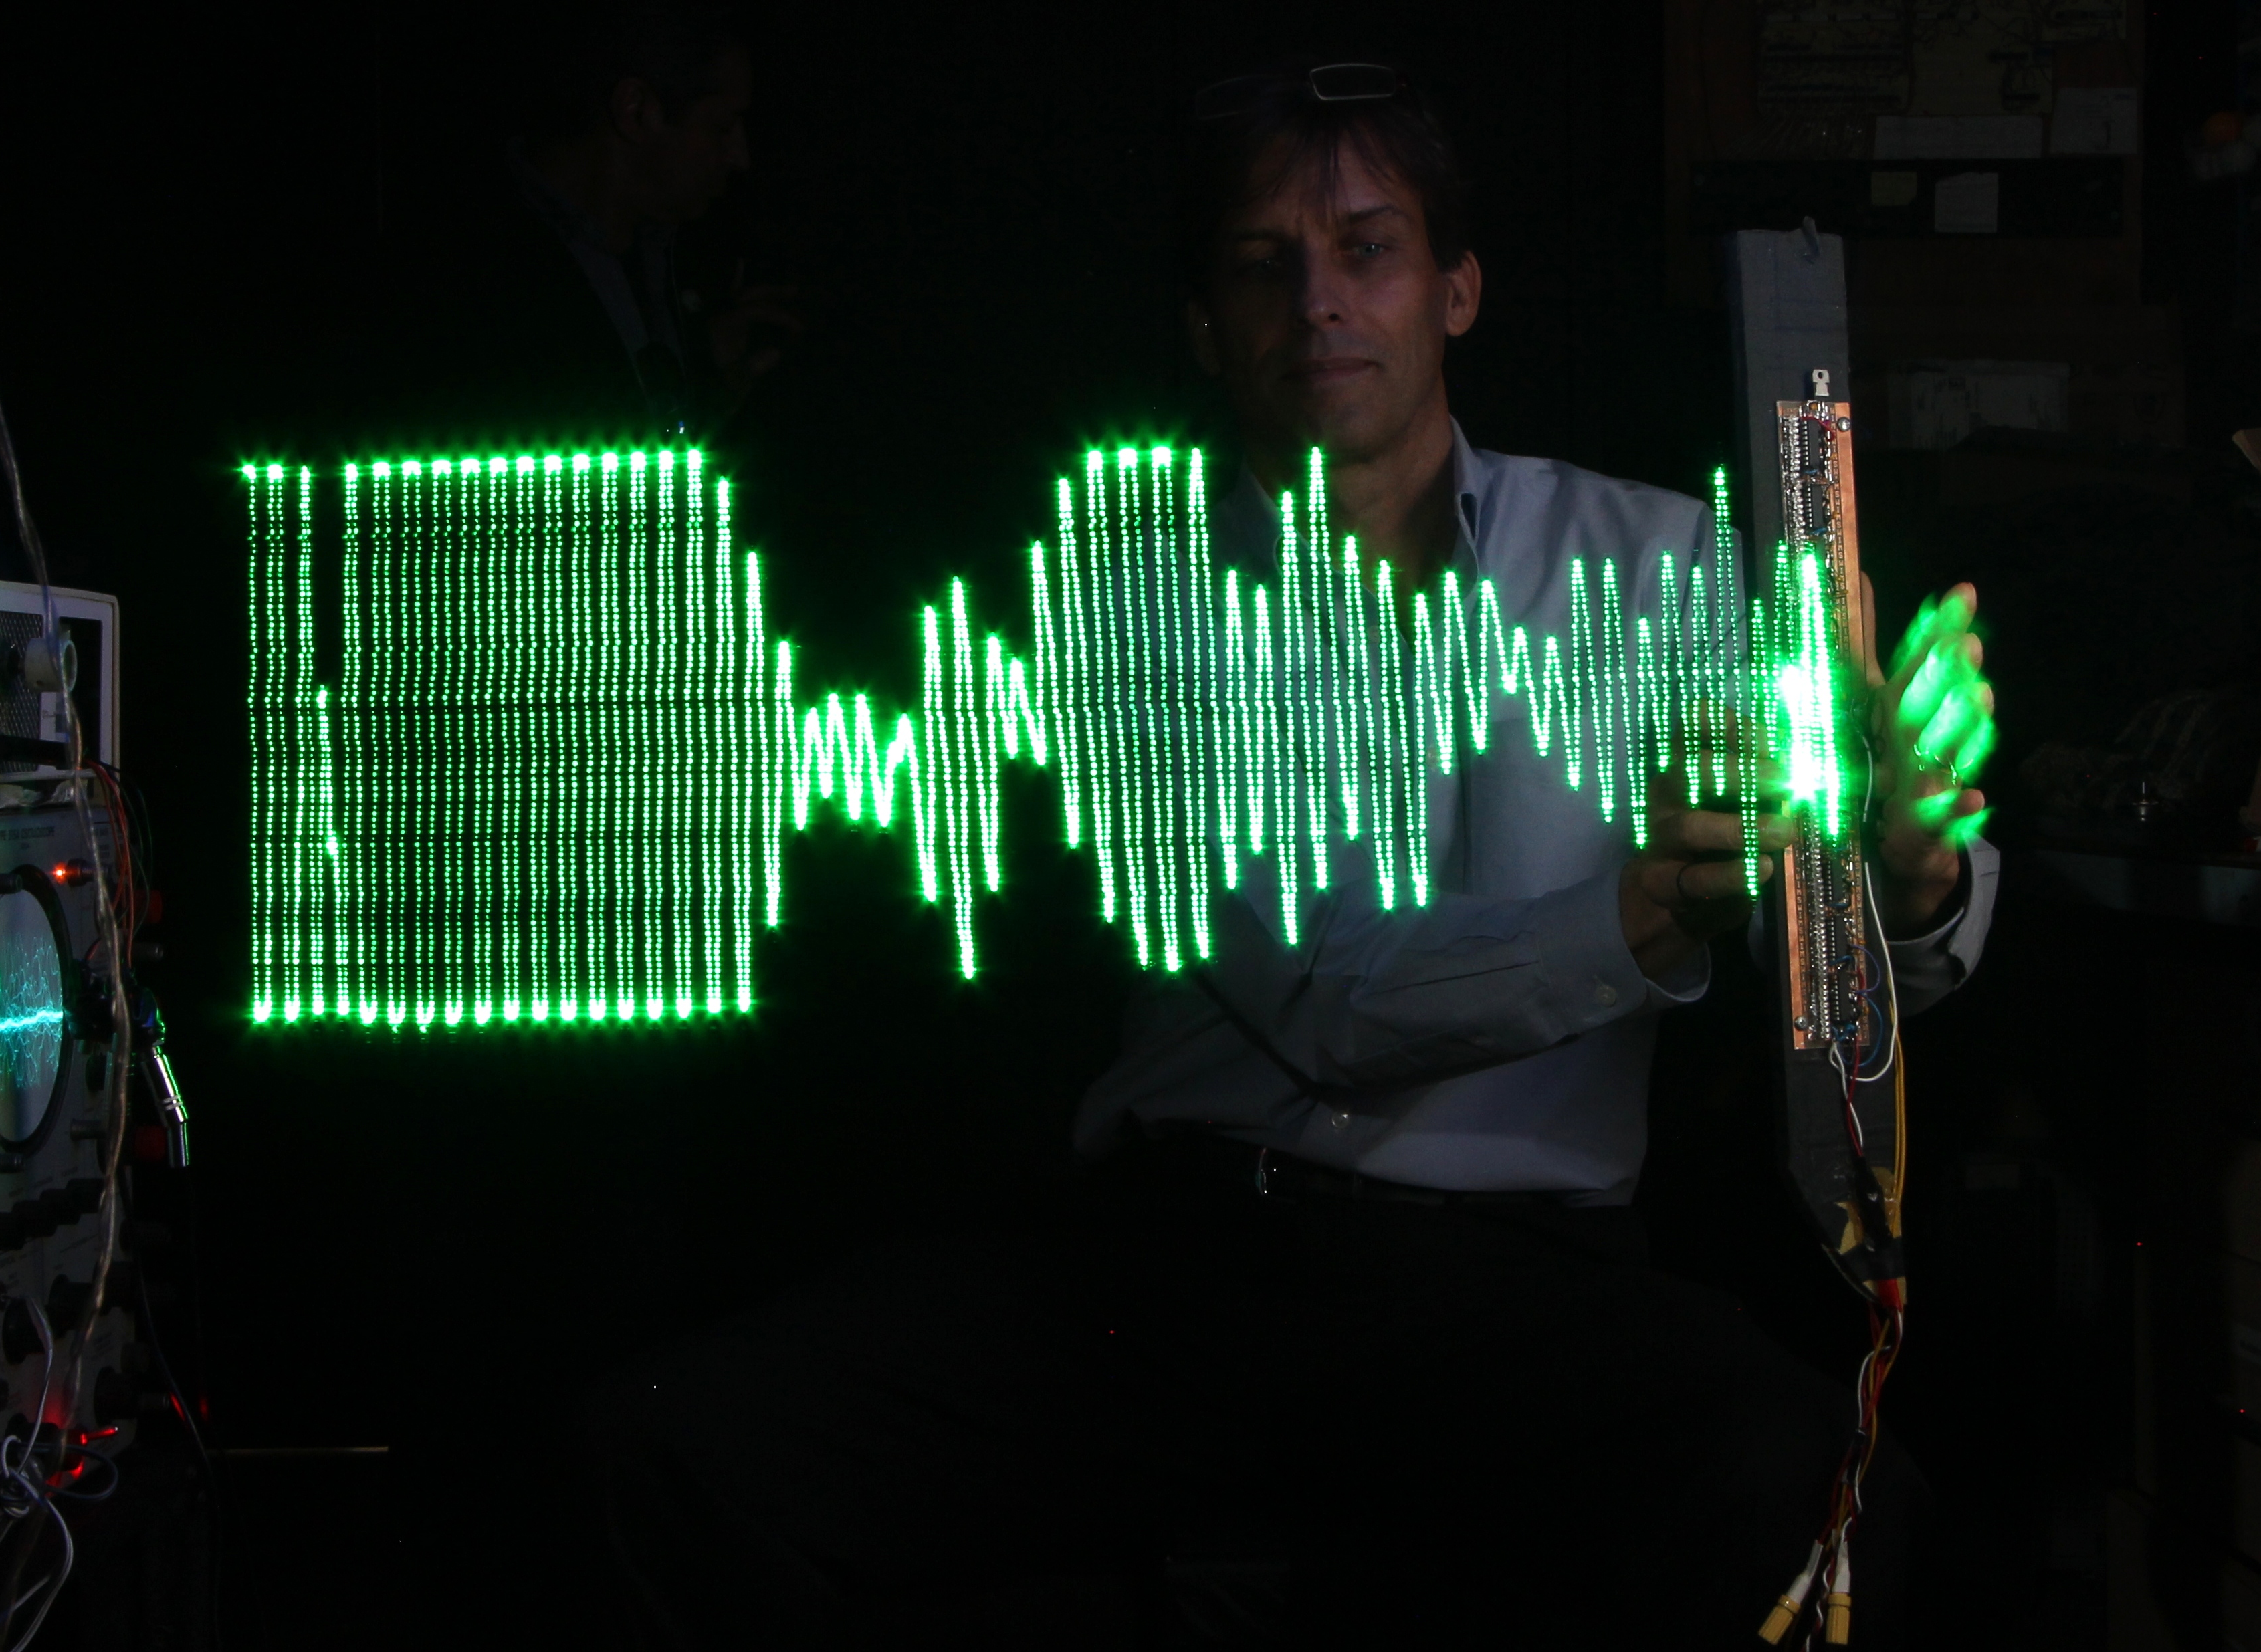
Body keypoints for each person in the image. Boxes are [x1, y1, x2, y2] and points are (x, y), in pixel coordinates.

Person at [588, 59, 1998, 1647]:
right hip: (1175, 1274)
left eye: (1367, 249)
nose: (1318, 301)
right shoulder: (1130, 601)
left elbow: (1837, 939)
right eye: (1265, 265)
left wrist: (1907, 878)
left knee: (1834, 1510)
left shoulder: (1663, 558)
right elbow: (1326, 1002)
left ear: (1457, 290)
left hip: (1525, 1289)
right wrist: (1638, 922)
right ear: (1207, 329)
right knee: (684, 1450)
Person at [394, 2, 798, 444]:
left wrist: (702, 395)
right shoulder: (452, 277)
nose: (740, 157)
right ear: (636, 110)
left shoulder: (685, 260)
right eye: (722, 126)